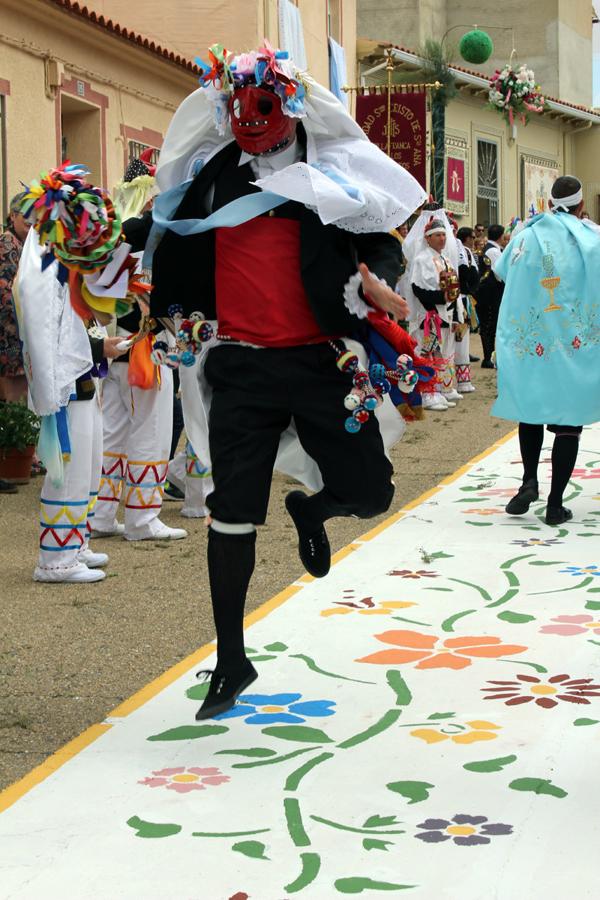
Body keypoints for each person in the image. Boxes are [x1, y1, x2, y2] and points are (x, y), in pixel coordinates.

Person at [146, 42, 427, 718]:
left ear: (291, 107)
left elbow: (381, 242)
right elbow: (169, 237)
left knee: (370, 491)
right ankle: (231, 660)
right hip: (241, 368)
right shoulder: (213, 177)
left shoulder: (331, 178)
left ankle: (315, 508)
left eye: (263, 103)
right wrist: (151, 303)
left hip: (321, 365)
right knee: (230, 514)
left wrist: (378, 280)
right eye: (239, 103)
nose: (250, 115)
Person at [493, 175, 600, 525]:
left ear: (550, 202)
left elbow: (501, 271)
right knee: (569, 419)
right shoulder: (593, 238)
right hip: (574, 342)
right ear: (581, 205)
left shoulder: (526, 234)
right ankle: (555, 503)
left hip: (533, 341)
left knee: (532, 409)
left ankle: (528, 481)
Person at [92, 152, 187, 543]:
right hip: (149, 347)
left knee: (112, 435)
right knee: (150, 431)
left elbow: (102, 290)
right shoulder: (159, 236)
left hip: (114, 347)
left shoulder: (118, 232)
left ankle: (99, 516)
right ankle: (143, 519)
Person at [401, 205, 461, 411]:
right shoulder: (421, 259)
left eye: (444, 235)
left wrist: (452, 305)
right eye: (437, 235)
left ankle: (437, 388)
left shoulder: (444, 258)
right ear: (427, 238)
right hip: (428, 313)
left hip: (442, 311)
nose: (442, 239)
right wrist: (435, 305)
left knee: (438, 352)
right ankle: (426, 393)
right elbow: (417, 288)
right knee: (425, 351)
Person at [454, 226, 480, 392]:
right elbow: (461, 274)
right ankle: (454, 381)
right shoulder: (458, 252)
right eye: (472, 236)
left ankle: (464, 380)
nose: (474, 239)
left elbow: (474, 275)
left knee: (465, 338)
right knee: (457, 338)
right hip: (459, 299)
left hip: (467, 298)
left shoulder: (469, 253)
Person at [476, 223, 505, 368]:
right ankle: (488, 357)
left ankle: (489, 356)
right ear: (501, 236)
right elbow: (500, 273)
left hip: (487, 292)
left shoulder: (489, 249)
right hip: (491, 292)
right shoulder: (493, 251)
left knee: (489, 324)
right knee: (489, 324)